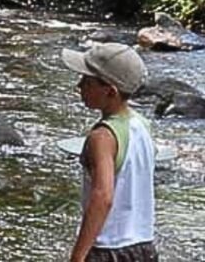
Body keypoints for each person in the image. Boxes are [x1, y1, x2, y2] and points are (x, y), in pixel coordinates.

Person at [61, 42, 157, 262]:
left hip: (108, 250)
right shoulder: (142, 125)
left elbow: (103, 197)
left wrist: (77, 257)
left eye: (87, 81)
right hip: (144, 247)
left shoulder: (102, 137)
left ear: (110, 91)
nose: (79, 86)